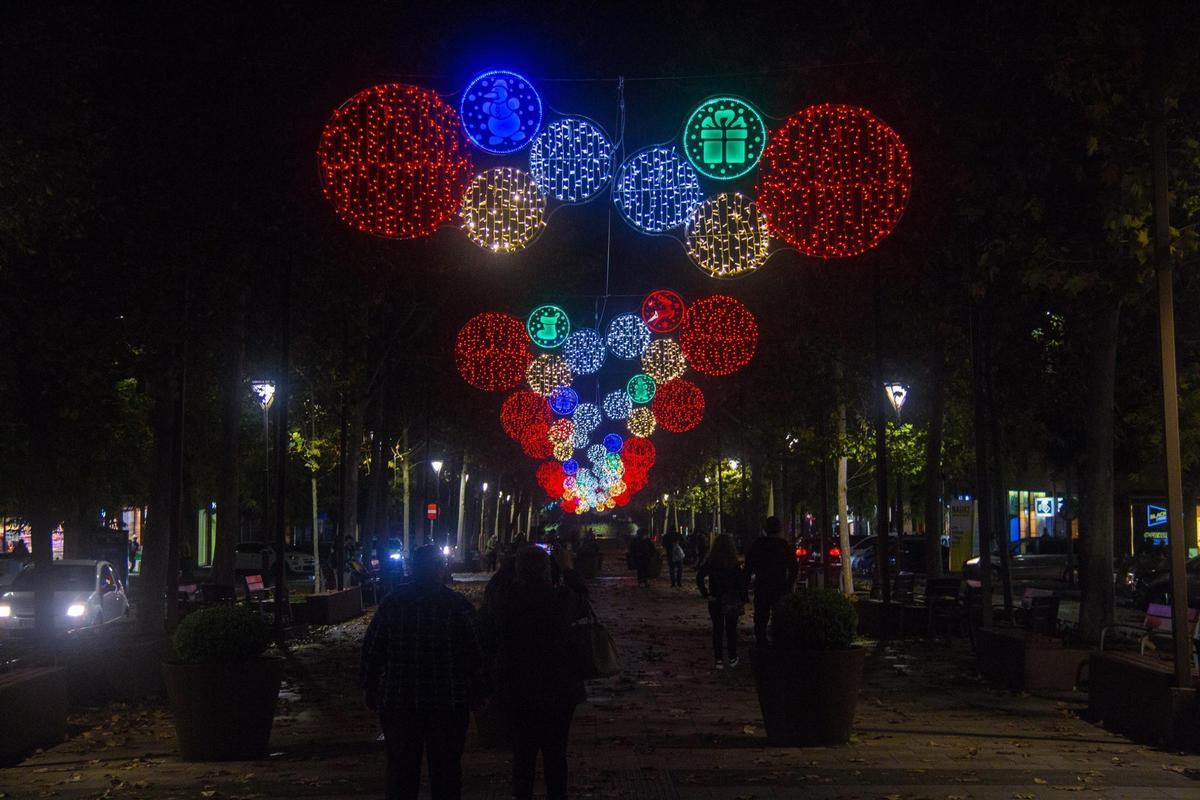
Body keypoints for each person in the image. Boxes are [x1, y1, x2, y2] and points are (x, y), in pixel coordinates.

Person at [360, 545, 486, 800]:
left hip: (400, 698)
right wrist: (480, 689)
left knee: (401, 771)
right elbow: (475, 652)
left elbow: (373, 648)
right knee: (446, 770)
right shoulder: (457, 606)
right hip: (447, 700)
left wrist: (370, 686)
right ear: (440, 569)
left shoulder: (393, 603)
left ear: (412, 569)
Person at [490, 546, 588, 800]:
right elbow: (583, 601)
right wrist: (567, 569)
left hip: (518, 687)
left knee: (523, 754)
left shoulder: (508, 600)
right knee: (556, 754)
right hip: (558, 688)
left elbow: (492, 598)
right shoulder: (559, 599)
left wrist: (508, 565)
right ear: (548, 570)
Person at [743, 516, 799, 648]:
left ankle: (762, 642)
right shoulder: (784, 546)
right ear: (779, 529)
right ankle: (778, 640)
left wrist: (744, 586)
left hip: (762, 585)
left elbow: (748, 567)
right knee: (779, 615)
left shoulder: (758, 545)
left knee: (761, 617)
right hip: (780, 585)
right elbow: (793, 567)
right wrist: (789, 584)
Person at [696, 534, 746, 669]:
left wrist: (705, 593)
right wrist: (742, 597)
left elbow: (699, 577)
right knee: (731, 629)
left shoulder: (711, 562)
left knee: (717, 629)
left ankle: (718, 659)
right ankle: (732, 656)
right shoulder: (734, 563)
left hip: (715, 597)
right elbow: (740, 582)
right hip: (731, 598)